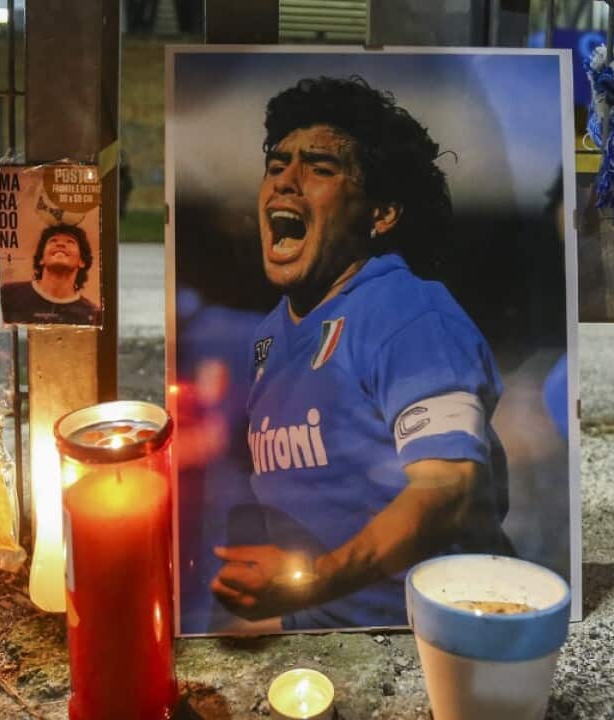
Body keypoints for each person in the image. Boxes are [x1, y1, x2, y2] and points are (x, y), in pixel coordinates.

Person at [210, 76, 512, 630]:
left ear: (382, 214)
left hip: (426, 642)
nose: (286, 183)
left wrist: (316, 580)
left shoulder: (408, 315)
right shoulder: (269, 337)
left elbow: (446, 490)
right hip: (319, 636)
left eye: (320, 168)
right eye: (277, 165)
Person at [0, 224, 100, 326]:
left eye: (70, 242)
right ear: (41, 259)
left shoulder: (92, 313)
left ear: (82, 261)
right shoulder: (9, 293)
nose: (60, 244)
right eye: (53, 241)